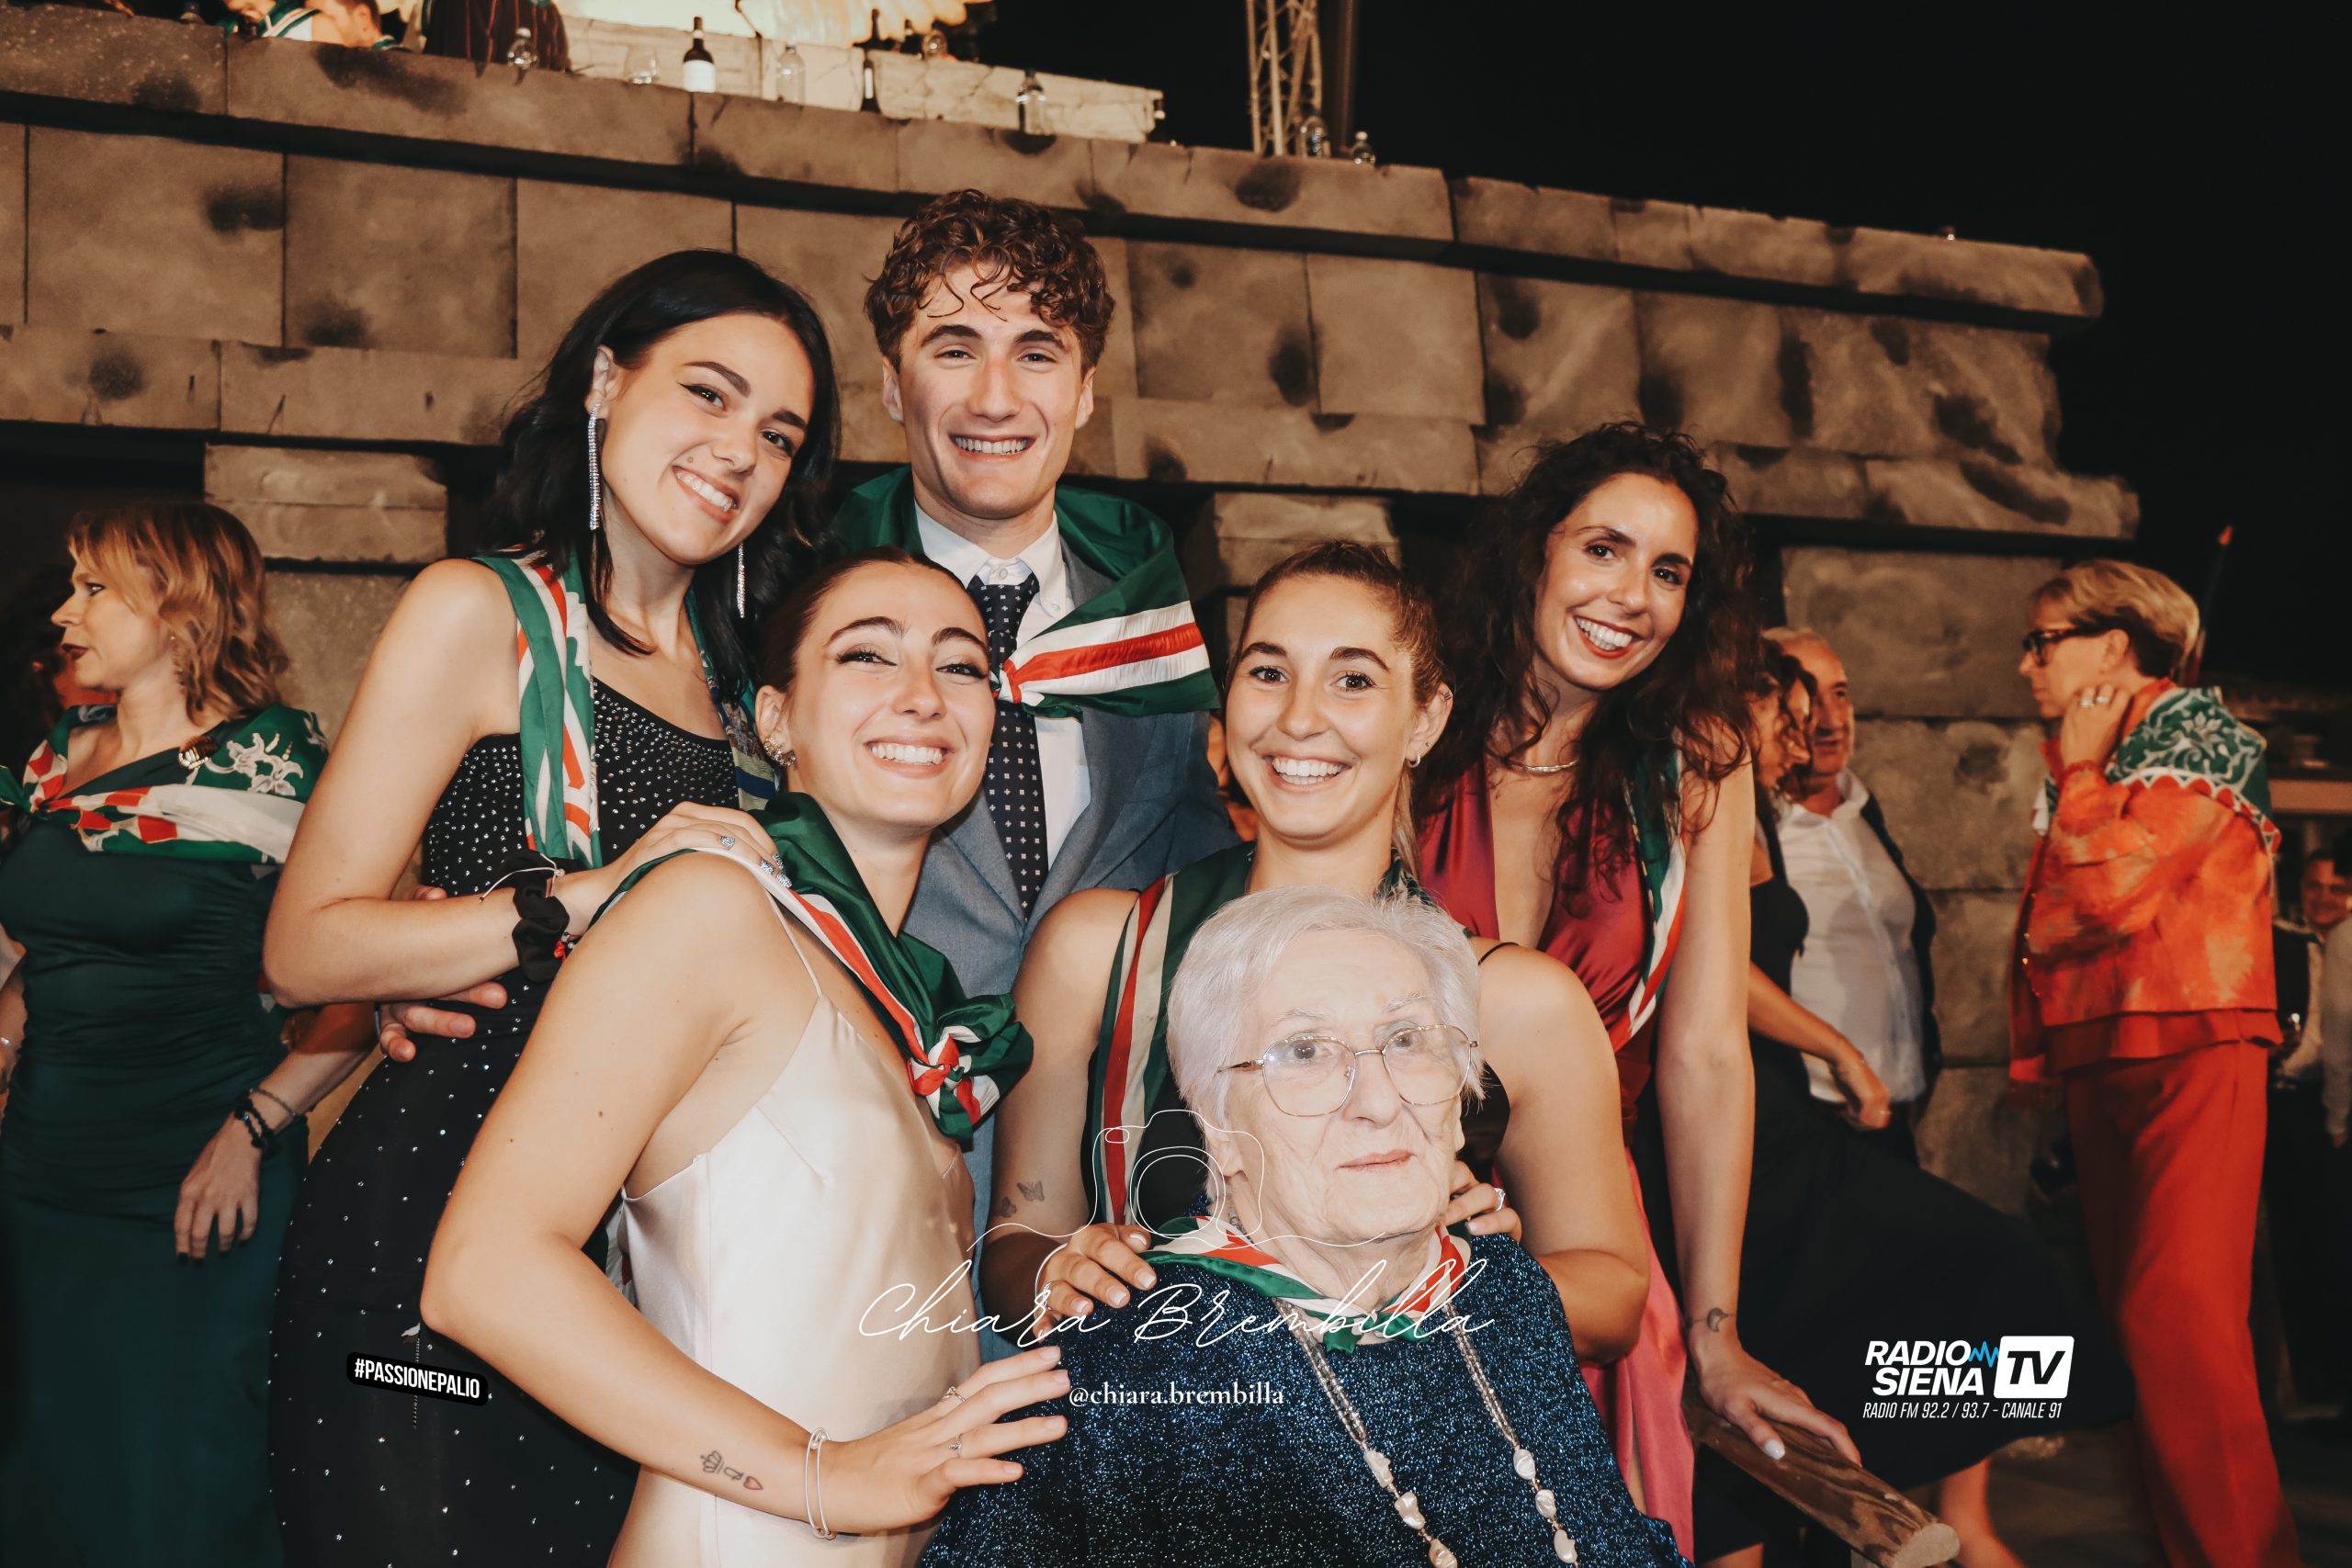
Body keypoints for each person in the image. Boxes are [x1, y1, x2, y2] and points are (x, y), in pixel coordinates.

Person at [260, 250, 841, 1565]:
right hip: (426, 1247)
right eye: (707, 392)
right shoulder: (482, 612)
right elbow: (304, 946)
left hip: (650, 1274)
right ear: (605, 381)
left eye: (777, 433)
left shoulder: (750, 689)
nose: (738, 450)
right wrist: (577, 897)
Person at [422, 549, 1067, 1566]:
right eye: (868, 655)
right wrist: (823, 1477)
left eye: (960, 666)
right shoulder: (711, 908)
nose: (922, 695)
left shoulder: (907, 1006)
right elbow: (482, 1272)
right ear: (774, 718)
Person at [980, 544, 1648, 1382]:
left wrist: (1469, 1275)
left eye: (1353, 679)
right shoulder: (1098, 951)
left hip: (1405, 1456)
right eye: (1268, 672)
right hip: (1158, 1443)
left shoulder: (1519, 999)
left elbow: (1615, 1294)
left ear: (1427, 718)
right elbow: (1013, 1248)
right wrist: (1063, 1269)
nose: (1299, 718)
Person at [924, 885, 1690, 1568]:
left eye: (1407, 1039)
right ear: (1219, 1129)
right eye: (1304, 1052)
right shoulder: (1126, 1370)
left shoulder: (1507, 1292)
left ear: (1461, 1103)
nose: (1378, 1102)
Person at [1412, 423, 1851, 1551]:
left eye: (1668, 571)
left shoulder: (1697, 764)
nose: (1632, 596)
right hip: (1393, 1228)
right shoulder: (1411, 722)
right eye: (1602, 549)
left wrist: (1714, 1330)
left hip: (1592, 1256)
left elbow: (1705, 1055)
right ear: (1534, 552)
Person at [1655, 643, 2129, 1568]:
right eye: (1788, 719)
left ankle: (1896, 1494)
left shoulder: (1777, 816)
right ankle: (1865, 1504)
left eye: (1819, 714)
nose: (1803, 739)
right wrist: (1836, 1049)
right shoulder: (1701, 803)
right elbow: (1704, 971)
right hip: (1759, 1127)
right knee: (2004, 1269)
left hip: (1805, 1124)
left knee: (1957, 1328)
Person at [831, 189, 1233, 1277]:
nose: (995, 397)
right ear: (891, 383)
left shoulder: (1150, 625)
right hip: (854, 1206)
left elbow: (1206, 890)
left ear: (1086, 390)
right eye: (953, 348)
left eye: (1037, 353)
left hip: (1109, 1233)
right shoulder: (799, 606)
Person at [0, 503, 373, 1566]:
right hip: (42, 1175)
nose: (66, 612)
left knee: (179, 1487)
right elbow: (46, 950)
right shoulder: (61, 758)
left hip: (199, 1173)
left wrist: (251, 1130)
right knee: (48, 1472)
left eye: (94, 589)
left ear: (179, 609)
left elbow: (363, 985)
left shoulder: (276, 765)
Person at [2011, 558, 2300, 1566]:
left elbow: (2101, 896)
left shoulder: (2199, 734)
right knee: (2140, 1330)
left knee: (2176, 1318)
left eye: (2043, 641)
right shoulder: (2098, 749)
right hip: (2107, 1049)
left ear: (2113, 645)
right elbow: (2054, 922)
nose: (2026, 664)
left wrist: (2081, 775)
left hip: (2194, 1040)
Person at [1763, 626, 1939, 1164]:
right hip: (1810, 1114)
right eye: (1807, 698)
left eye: (1840, 694)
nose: (1830, 720)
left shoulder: (1866, 814)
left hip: (1894, 1113)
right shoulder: (1756, 827)